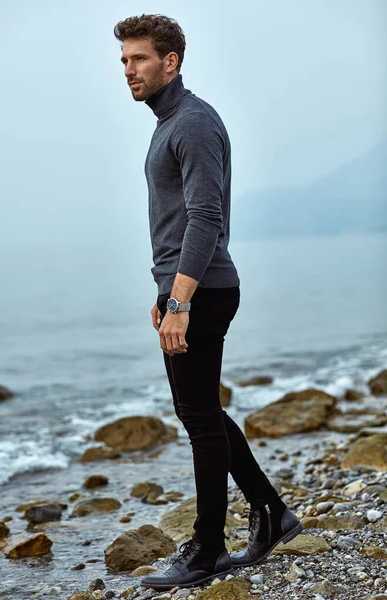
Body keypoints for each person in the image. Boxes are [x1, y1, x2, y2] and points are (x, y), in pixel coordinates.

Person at [113, 14, 303, 590]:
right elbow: (182, 221)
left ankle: (208, 550)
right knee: (202, 413)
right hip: (193, 288)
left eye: (140, 58)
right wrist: (165, 290)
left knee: (198, 418)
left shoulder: (191, 123)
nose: (129, 71)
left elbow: (205, 218)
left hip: (205, 291)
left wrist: (181, 301)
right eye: (124, 61)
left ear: (171, 62)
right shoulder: (171, 121)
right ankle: (272, 513)